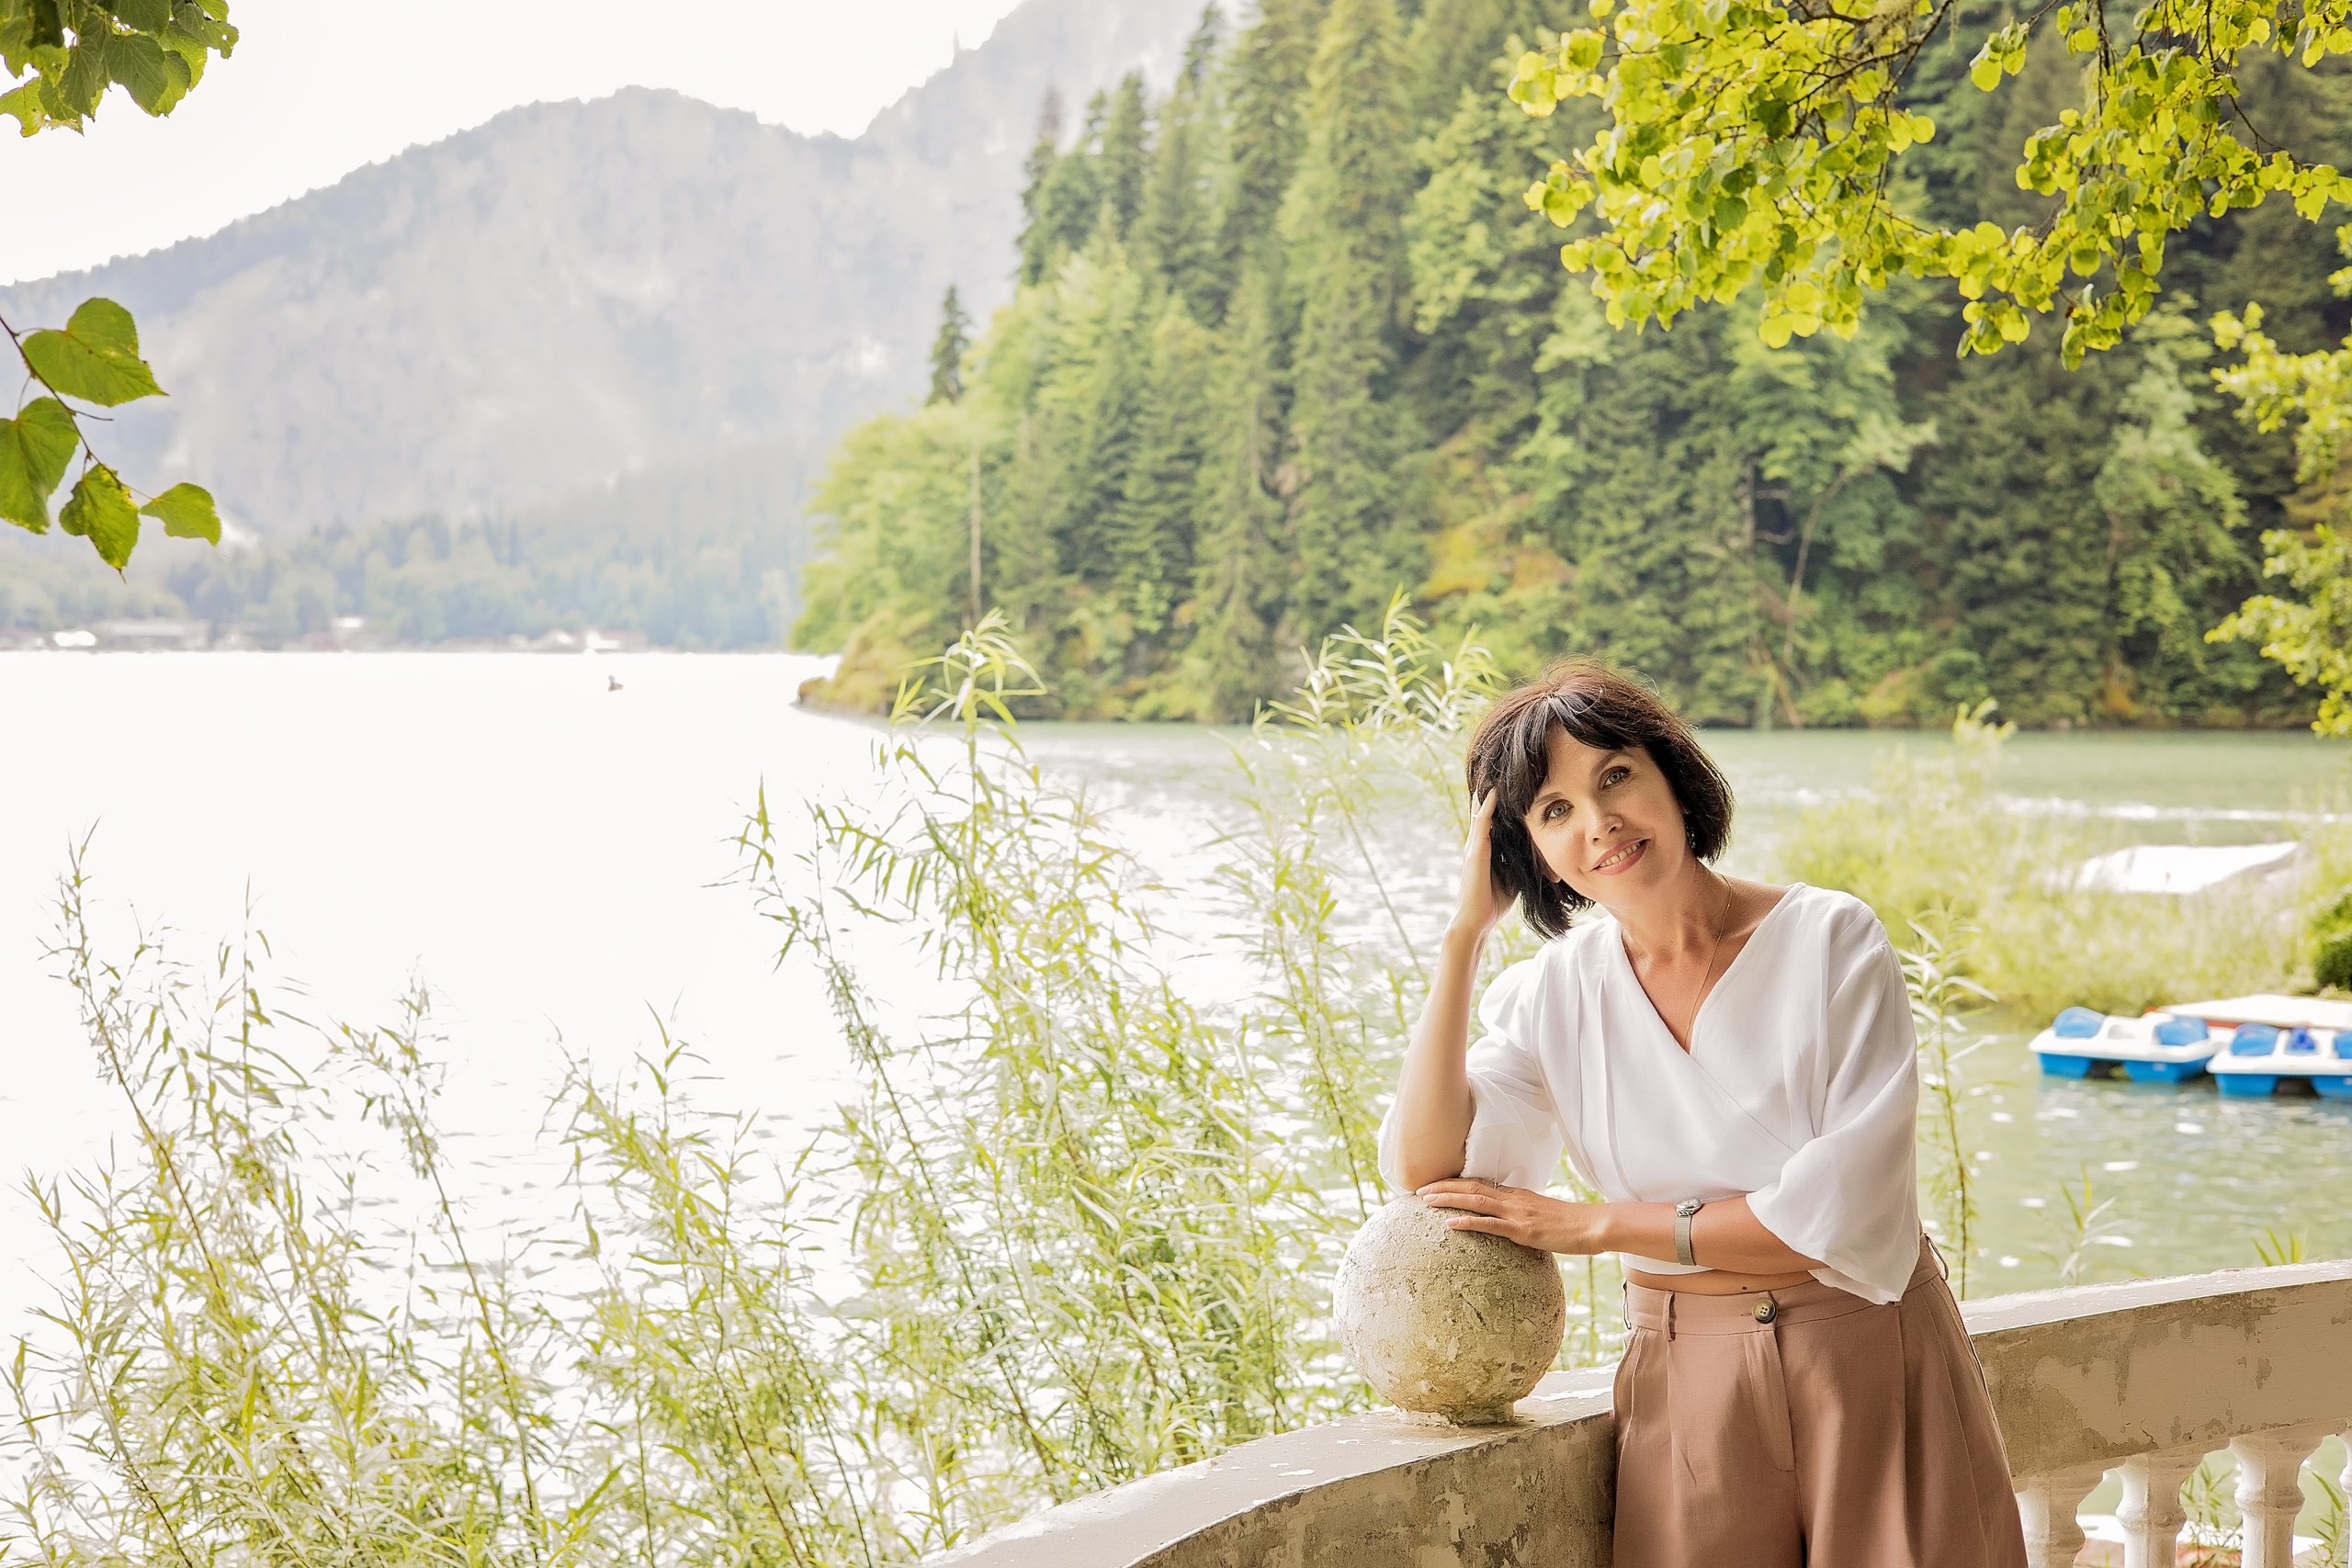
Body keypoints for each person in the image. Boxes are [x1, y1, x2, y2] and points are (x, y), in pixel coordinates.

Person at [1380, 660, 2027, 1568]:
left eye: (1614, 777)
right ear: (1524, 850)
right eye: (1554, 811)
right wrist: (1462, 938)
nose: (1599, 823)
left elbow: (1841, 1215)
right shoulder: (1550, 997)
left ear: (1672, 777)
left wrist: (1597, 1225)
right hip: (1687, 1375)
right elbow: (1426, 1166)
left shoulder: (1831, 940)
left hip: (1872, 1351)